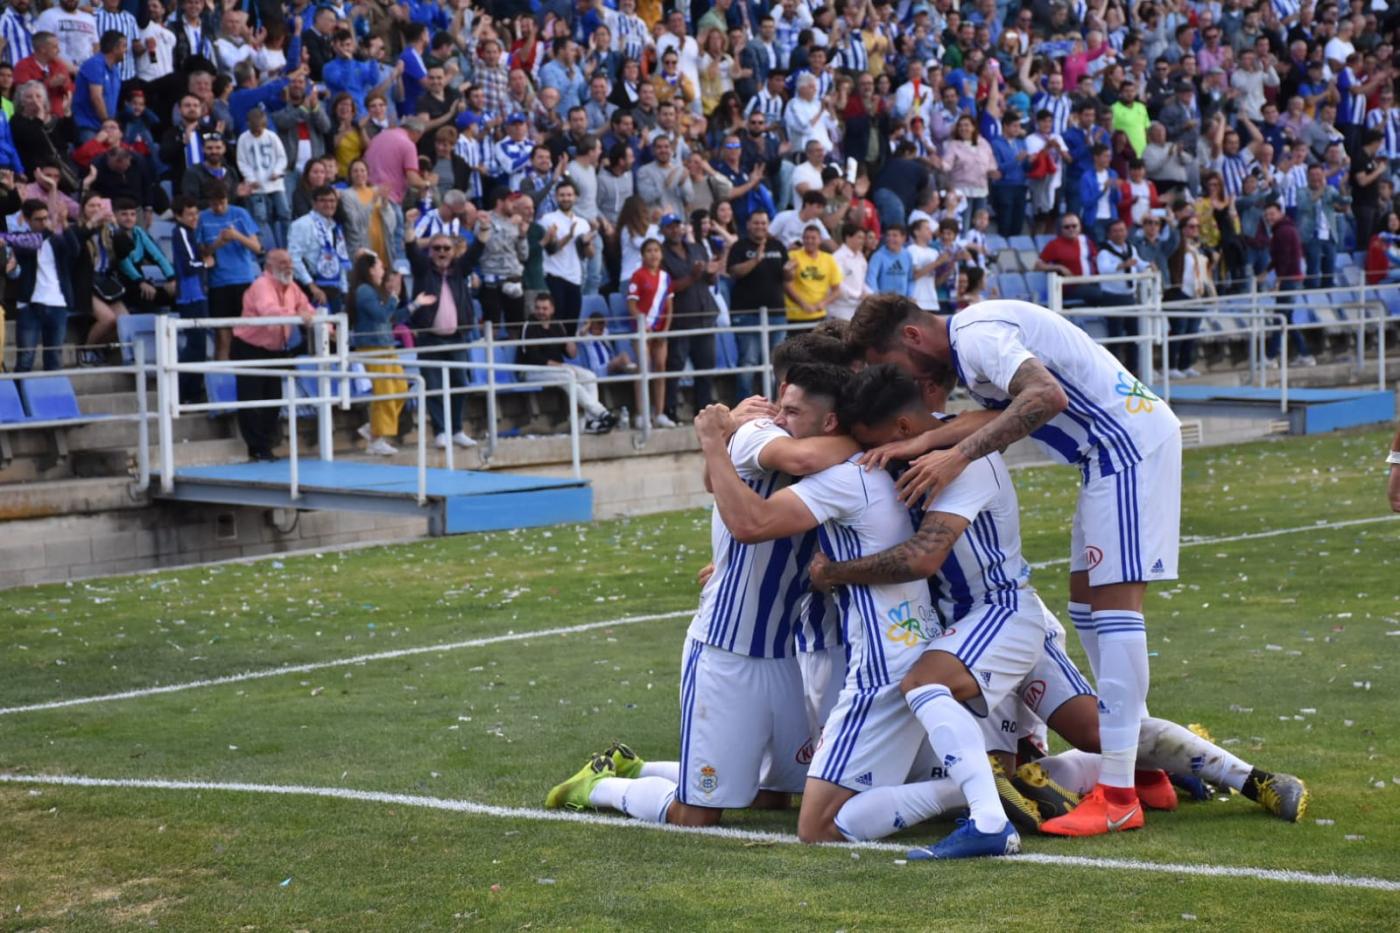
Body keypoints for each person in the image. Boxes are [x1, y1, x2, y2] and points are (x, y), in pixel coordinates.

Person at [847, 292, 1184, 837]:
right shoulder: (973, 344)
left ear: (911, 337)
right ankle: (1142, 771)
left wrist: (957, 454)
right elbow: (1003, 410)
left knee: (1117, 614)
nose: (903, 383)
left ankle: (1119, 794)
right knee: (1087, 609)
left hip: (1125, 449)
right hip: (1107, 456)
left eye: (894, 367)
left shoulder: (977, 335)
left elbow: (1044, 396)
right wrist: (936, 436)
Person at [544, 364, 857, 829]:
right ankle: (601, 787)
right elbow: (759, 480)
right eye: (781, 403)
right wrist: (718, 437)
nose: (779, 414)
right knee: (697, 813)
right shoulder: (759, 431)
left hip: (782, 656)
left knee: (770, 797)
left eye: (792, 409)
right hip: (724, 652)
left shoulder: (808, 445)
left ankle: (639, 766)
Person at [231, 249, 316, 461]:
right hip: (249, 348)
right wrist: (297, 316)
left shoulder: (293, 286)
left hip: (275, 350)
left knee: (273, 399)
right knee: (251, 400)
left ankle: (265, 445)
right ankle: (256, 448)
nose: (289, 266)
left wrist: (327, 327)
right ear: (270, 266)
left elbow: (307, 307)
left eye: (289, 262)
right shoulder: (261, 285)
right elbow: (268, 311)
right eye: (283, 262)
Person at [404, 228, 483, 450]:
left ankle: (456, 429)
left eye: (446, 248)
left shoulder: (460, 270)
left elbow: (475, 252)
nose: (441, 252)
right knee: (434, 386)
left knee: (460, 383)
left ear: (453, 251)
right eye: (436, 248)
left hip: (457, 338)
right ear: (430, 252)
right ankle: (440, 431)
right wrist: (409, 230)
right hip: (430, 338)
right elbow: (411, 252)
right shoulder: (423, 270)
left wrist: (483, 230)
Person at [519, 292, 617, 434]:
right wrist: (561, 366)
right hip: (530, 371)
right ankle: (601, 412)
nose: (540, 312)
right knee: (568, 375)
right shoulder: (529, 326)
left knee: (589, 376)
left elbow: (571, 354)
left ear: (552, 309)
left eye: (544, 308)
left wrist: (571, 344)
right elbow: (532, 357)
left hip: (557, 370)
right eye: (538, 308)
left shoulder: (557, 325)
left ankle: (590, 421)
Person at [348, 251, 411, 455]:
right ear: (370, 269)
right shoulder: (364, 291)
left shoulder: (374, 290)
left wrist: (415, 305)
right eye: (380, 266)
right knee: (384, 391)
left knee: (400, 387)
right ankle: (377, 439)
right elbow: (382, 315)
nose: (383, 270)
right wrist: (393, 296)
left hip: (386, 345)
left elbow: (391, 318)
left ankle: (373, 429)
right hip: (373, 347)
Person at [660, 212, 717, 420]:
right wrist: (692, 276)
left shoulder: (696, 248)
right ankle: (670, 410)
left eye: (678, 226)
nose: (675, 230)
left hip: (704, 315)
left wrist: (711, 273)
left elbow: (709, 281)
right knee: (675, 366)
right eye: (670, 227)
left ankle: (703, 411)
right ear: (663, 230)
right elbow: (667, 287)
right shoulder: (661, 254)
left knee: (706, 367)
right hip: (680, 319)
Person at [197, 179, 263, 360]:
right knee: (222, 336)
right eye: (214, 203)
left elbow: (257, 247)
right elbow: (201, 253)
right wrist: (218, 243)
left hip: (243, 279)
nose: (218, 207)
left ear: (228, 199)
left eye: (222, 202)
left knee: (246, 333)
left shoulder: (240, 214)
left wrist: (237, 236)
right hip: (218, 282)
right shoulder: (203, 217)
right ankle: (221, 379)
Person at [726, 209, 788, 399]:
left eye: (763, 223)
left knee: (776, 362)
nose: (760, 226)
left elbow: (786, 275)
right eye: (756, 223)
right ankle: (743, 405)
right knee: (749, 361)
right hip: (747, 314)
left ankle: (774, 404)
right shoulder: (739, 247)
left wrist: (791, 271)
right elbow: (735, 272)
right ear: (748, 225)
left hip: (776, 313)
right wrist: (755, 259)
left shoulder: (777, 245)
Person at [169, 194, 210, 402]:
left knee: (198, 346)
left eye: (196, 214)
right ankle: (183, 391)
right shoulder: (181, 233)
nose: (194, 218)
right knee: (196, 346)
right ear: (178, 216)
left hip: (196, 294)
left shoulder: (188, 232)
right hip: (190, 295)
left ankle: (190, 392)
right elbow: (187, 264)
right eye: (189, 214)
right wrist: (205, 263)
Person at [627, 237, 671, 428]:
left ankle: (659, 413)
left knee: (660, 368)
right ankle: (641, 413)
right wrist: (643, 325)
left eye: (656, 250)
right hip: (641, 331)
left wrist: (665, 332)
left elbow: (670, 306)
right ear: (643, 255)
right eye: (649, 251)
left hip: (660, 330)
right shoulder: (637, 275)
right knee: (643, 369)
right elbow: (631, 304)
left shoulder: (665, 277)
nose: (653, 254)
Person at [539, 179, 594, 331]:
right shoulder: (548, 219)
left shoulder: (583, 223)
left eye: (569, 195)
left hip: (575, 278)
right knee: (556, 324)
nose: (566, 198)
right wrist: (570, 235)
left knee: (571, 325)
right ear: (556, 197)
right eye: (562, 195)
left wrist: (587, 243)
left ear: (575, 197)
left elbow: (589, 254)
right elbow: (552, 249)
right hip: (554, 276)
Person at [288, 184, 350, 314]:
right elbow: (293, 258)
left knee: (337, 331)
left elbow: (341, 260)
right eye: (323, 200)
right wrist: (312, 286)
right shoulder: (302, 224)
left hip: (334, 288)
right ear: (314, 203)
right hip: (313, 288)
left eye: (332, 201)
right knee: (319, 331)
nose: (328, 204)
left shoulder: (335, 227)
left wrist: (345, 291)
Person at [235, 107, 290, 250]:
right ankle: (265, 247)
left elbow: (282, 157)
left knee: (284, 213)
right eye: (254, 129)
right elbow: (242, 161)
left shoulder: (272, 137)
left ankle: (287, 245)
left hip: (275, 183)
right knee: (260, 217)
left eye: (259, 129)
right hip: (256, 186)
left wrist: (277, 171)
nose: (257, 132)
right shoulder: (243, 139)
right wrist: (250, 178)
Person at [783, 225, 841, 326]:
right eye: (806, 238)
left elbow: (837, 290)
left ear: (820, 240)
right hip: (795, 315)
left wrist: (823, 303)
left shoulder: (829, 259)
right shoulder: (793, 256)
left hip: (819, 315)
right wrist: (803, 304)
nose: (809, 241)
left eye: (813, 238)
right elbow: (786, 284)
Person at [827, 224, 868, 322]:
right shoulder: (837, 258)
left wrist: (868, 294)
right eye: (859, 237)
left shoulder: (861, 257)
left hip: (856, 308)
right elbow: (837, 284)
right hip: (840, 310)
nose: (862, 241)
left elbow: (861, 282)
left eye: (863, 238)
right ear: (848, 237)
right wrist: (857, 295)